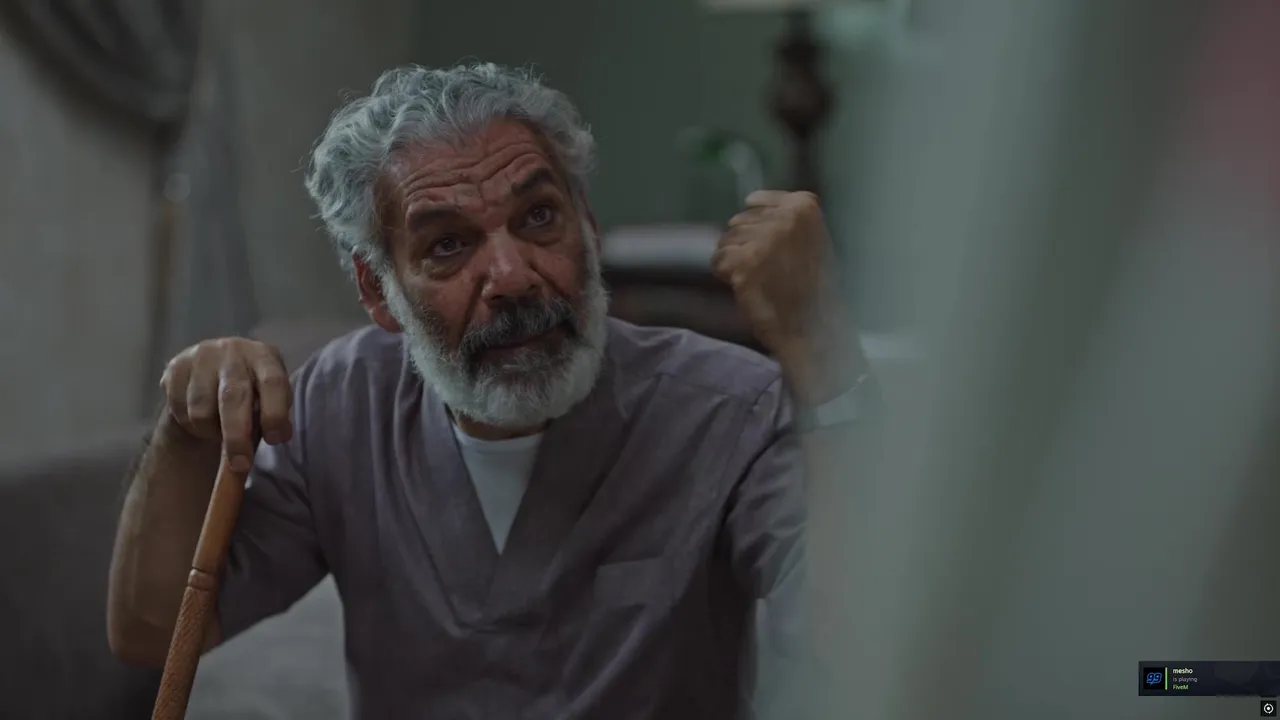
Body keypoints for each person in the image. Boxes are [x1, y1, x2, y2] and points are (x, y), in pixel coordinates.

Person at [106, 63, 875, 719]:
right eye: (447, 245)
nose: (511, 277)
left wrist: (825, 358)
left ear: (589, 227)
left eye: (538, 218)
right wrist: (183, 431)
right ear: (378, 291)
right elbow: (151, 631)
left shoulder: (725, 407)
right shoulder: (342, 405)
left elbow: (872, 652)